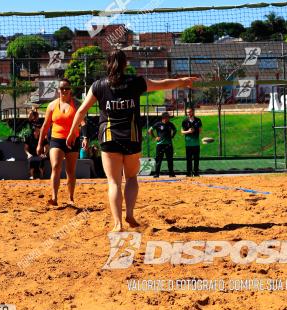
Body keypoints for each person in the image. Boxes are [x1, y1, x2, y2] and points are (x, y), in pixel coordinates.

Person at [66, 50, 197, 231]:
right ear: (125, 64)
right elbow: (163, 84)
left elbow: (81, 111)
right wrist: (183, 81)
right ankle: (129, 214)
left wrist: (72, 132)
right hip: (131, 137)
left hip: (109, 138)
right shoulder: (136, 82)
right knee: (131, 177)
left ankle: (118, 224)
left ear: (107, 64)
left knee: (113, 182)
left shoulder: (98, 85)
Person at [37, 79, 82, 206]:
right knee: (56, 166)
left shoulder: (77, 104)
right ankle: (54, 197)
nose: (64, 91)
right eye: (62, 88)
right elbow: (45, 126)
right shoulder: (52, 106)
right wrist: (40, 143)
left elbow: (83, 123)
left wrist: (85, 138)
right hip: (56, 139)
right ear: (58, 90)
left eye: (67, 88)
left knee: (70, 170)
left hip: (72, 139)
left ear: (70, 90)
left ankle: (71, 198)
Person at [150, 111, 177, 177]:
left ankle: (171, 173)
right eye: (167, 117)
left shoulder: (170, 124)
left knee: (170, 159)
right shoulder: (158, 124)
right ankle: (156, 174)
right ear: (164, 118)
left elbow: (175, 130)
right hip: (160, 145)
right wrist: (155, 137)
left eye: (168, 117)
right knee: (158, 160)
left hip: (168, 145)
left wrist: (172, 136)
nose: (168, 118)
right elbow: (150, 130)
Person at [181, 104, 203, 177]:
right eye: (187, 112)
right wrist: (188, 131)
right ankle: (188, 173)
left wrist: (194, 131)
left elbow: (200, 131)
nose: (188, 113)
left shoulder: (198, 120)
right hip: (188, 144)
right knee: (188, 159)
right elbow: (182, 132)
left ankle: (196, 173)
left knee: (196, 159)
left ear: (193, 112)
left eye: (190, 112)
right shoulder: (184, 121)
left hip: (196, 144)